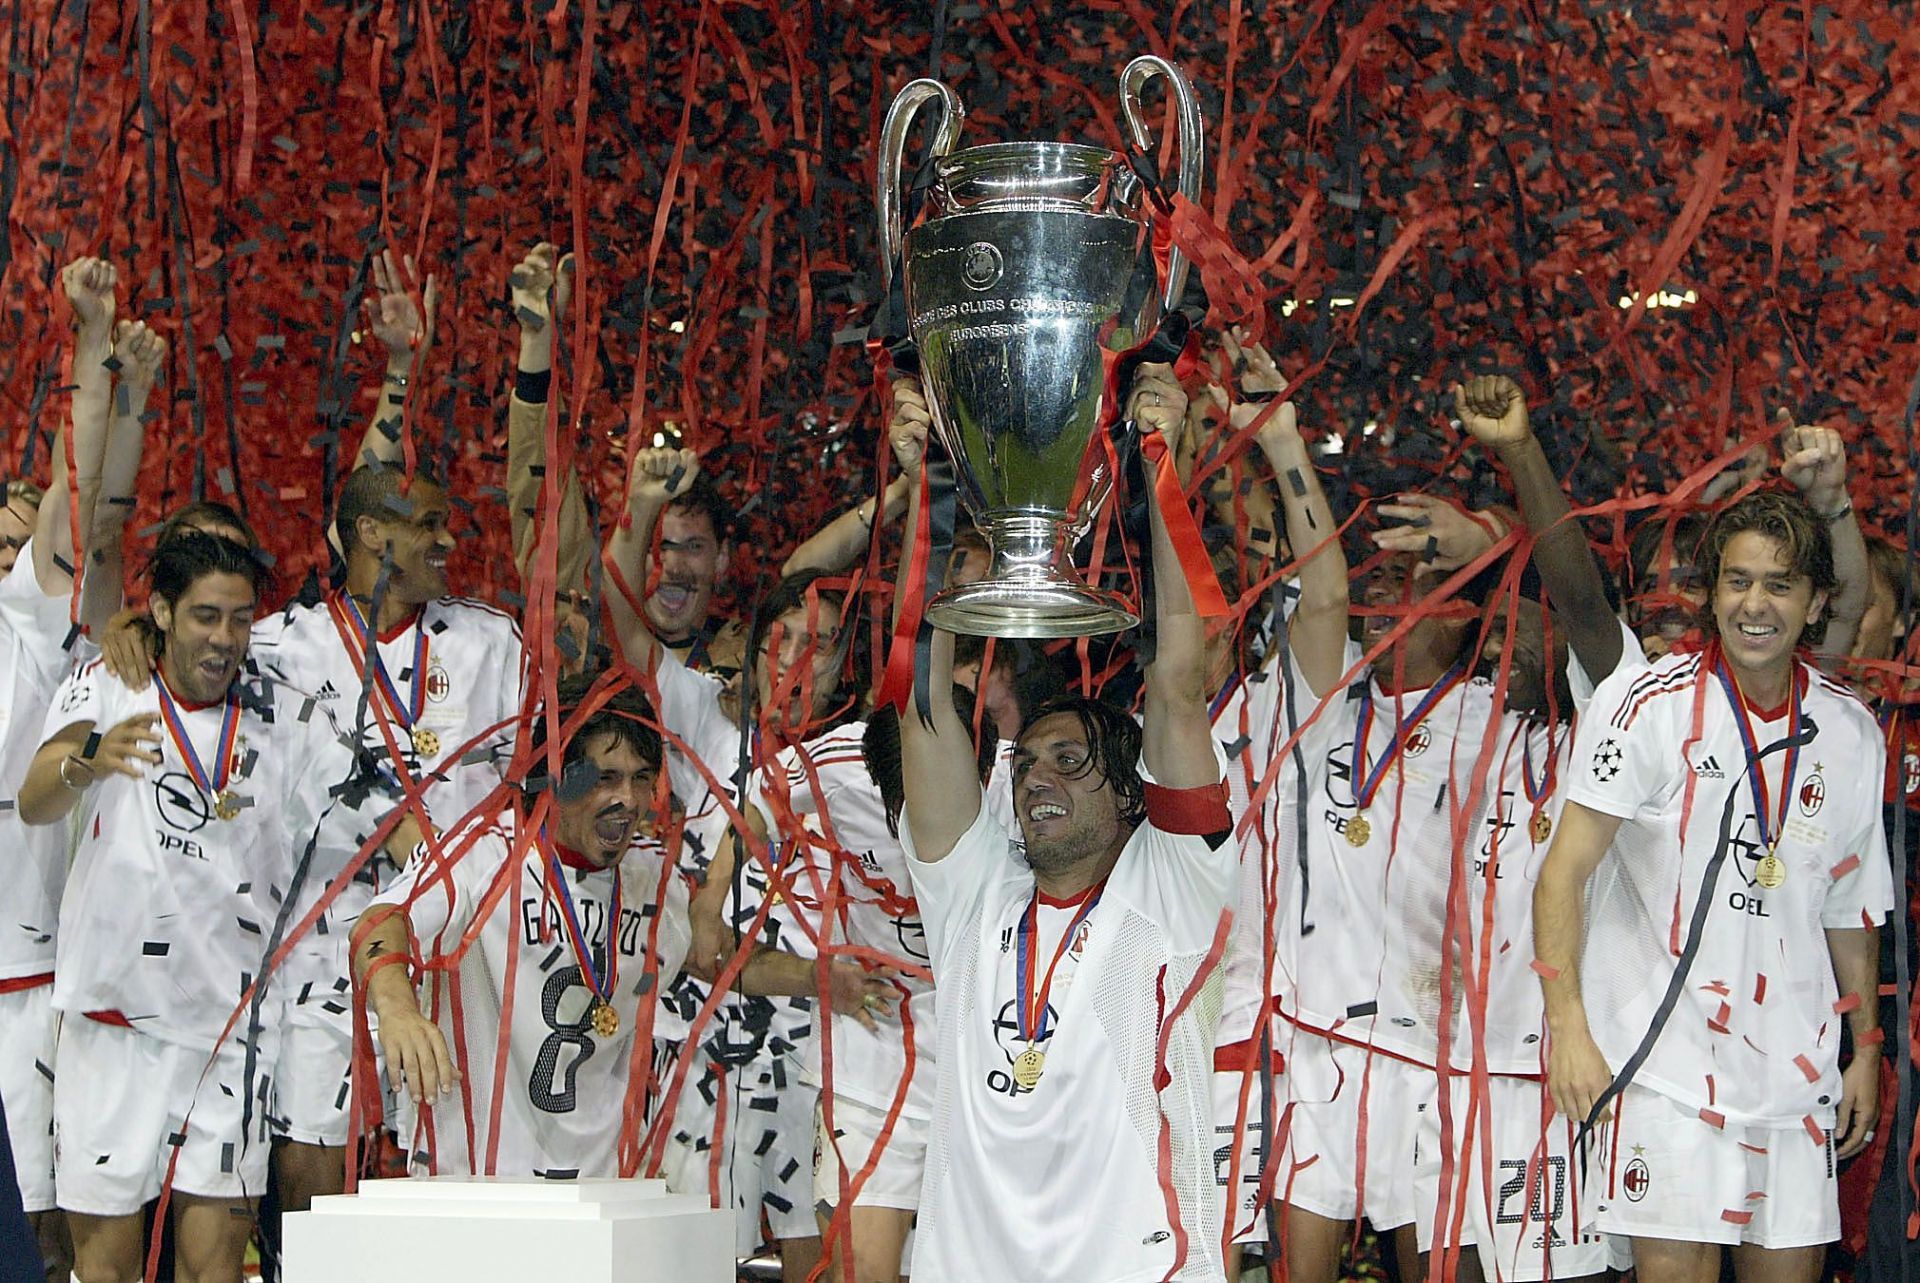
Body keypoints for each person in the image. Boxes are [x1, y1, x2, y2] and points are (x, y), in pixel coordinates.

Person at [891, 362, 1237, 1281]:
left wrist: (1159, 464)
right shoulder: (974, 896)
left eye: (1071, 761)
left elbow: (1173, 678)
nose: (1038, 777)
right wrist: (932, 479)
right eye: (1028, 762)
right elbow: (920, 708)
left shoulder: (1172, 887)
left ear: (1131, 795)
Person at [1536, 481, 1892, 1279]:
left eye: (1780, 583)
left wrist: (1863, 1045)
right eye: (1738, 580)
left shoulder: (1851, 731)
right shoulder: (1648, 707)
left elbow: (1850, 904)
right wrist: (1568, 1026)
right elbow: (1562, 873)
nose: (1754, 604)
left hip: (1793, 1079)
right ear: (1710, 592)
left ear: (1816, 601)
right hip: (1666, 1072)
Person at [18, 530, 306, 1283]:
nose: (224, 637)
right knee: (104, 1266)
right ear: (162, 613)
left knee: (214, 1269)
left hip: (229, 1029)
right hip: (115, 1024)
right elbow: (35, 797)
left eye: (240, 618)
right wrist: (90, 759)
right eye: (206, 616)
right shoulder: (113, 683)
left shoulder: (284, 712)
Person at [351, 678, 693, 1178]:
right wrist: (399, 1009)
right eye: (607, 778)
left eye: (642, 779)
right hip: (481, 1190)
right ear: (558, 775)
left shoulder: (658, 882)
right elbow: (380, 921)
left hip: (601, 1196)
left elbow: (717, 957)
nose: (629, 800)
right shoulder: (484, 854)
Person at [0, 258, 156, 1280]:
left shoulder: (22, 618)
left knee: (42, 1234)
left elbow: (85, 497)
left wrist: (97, 356)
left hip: (20, 979)